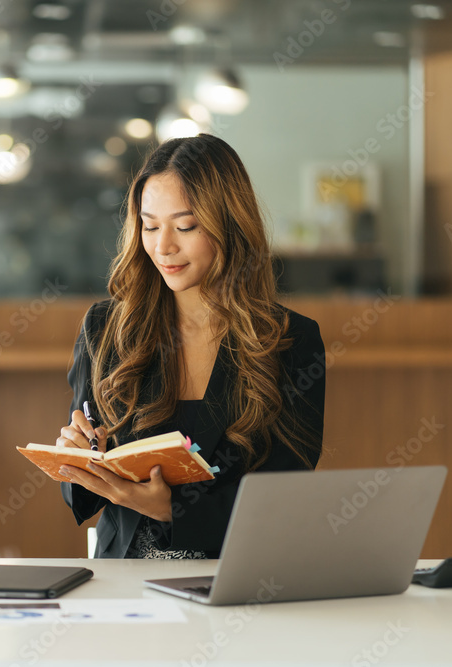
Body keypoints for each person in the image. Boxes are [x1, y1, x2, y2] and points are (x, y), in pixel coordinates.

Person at [56, 133, 325, 559]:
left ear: (230, 223)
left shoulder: (291, 341)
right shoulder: (105, 327)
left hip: (239, 581)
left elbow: (281, 503)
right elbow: (81, 500)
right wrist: (77, 460)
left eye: (185, 226)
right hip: (127, 587)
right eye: (149, 226)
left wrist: (171, 509)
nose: (163, 247)